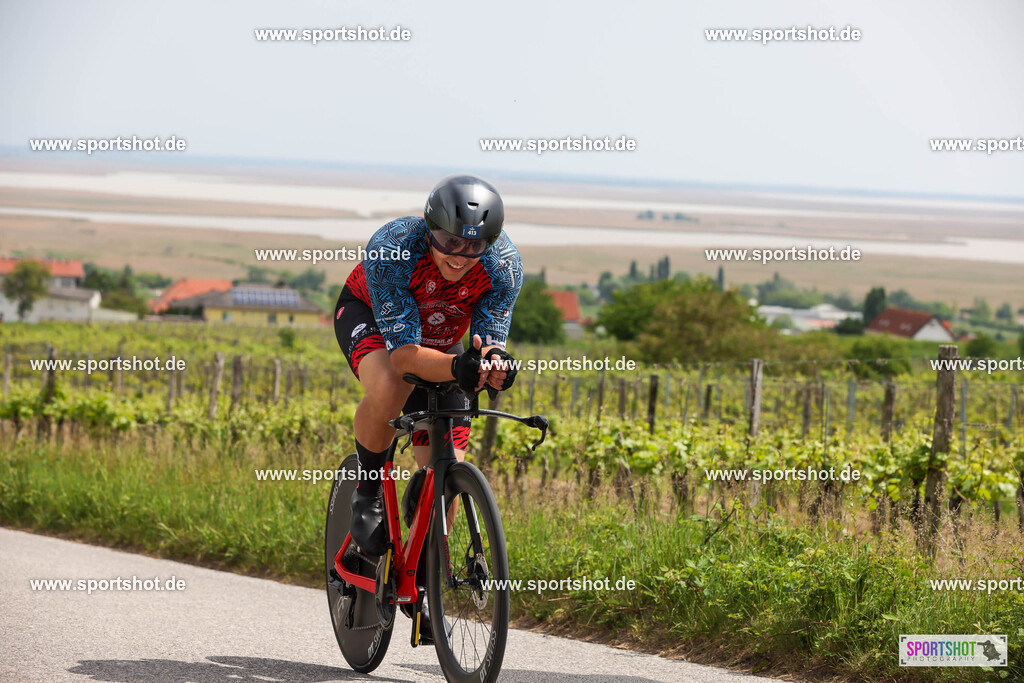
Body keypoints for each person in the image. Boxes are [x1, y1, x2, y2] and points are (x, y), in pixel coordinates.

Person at [333, 174, 523, 557]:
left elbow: (488, 343)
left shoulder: (503, 267)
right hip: (370, 317)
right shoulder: (394, 248)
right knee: (392, 384)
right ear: (429, 228)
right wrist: (458, 369)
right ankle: (367, 491)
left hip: (441, 342)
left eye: (474, 246)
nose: (459, 256)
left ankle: (427, 584)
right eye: (449, 241)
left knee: (446, 470)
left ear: (491, 242)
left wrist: (497, 366)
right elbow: (404, 356)